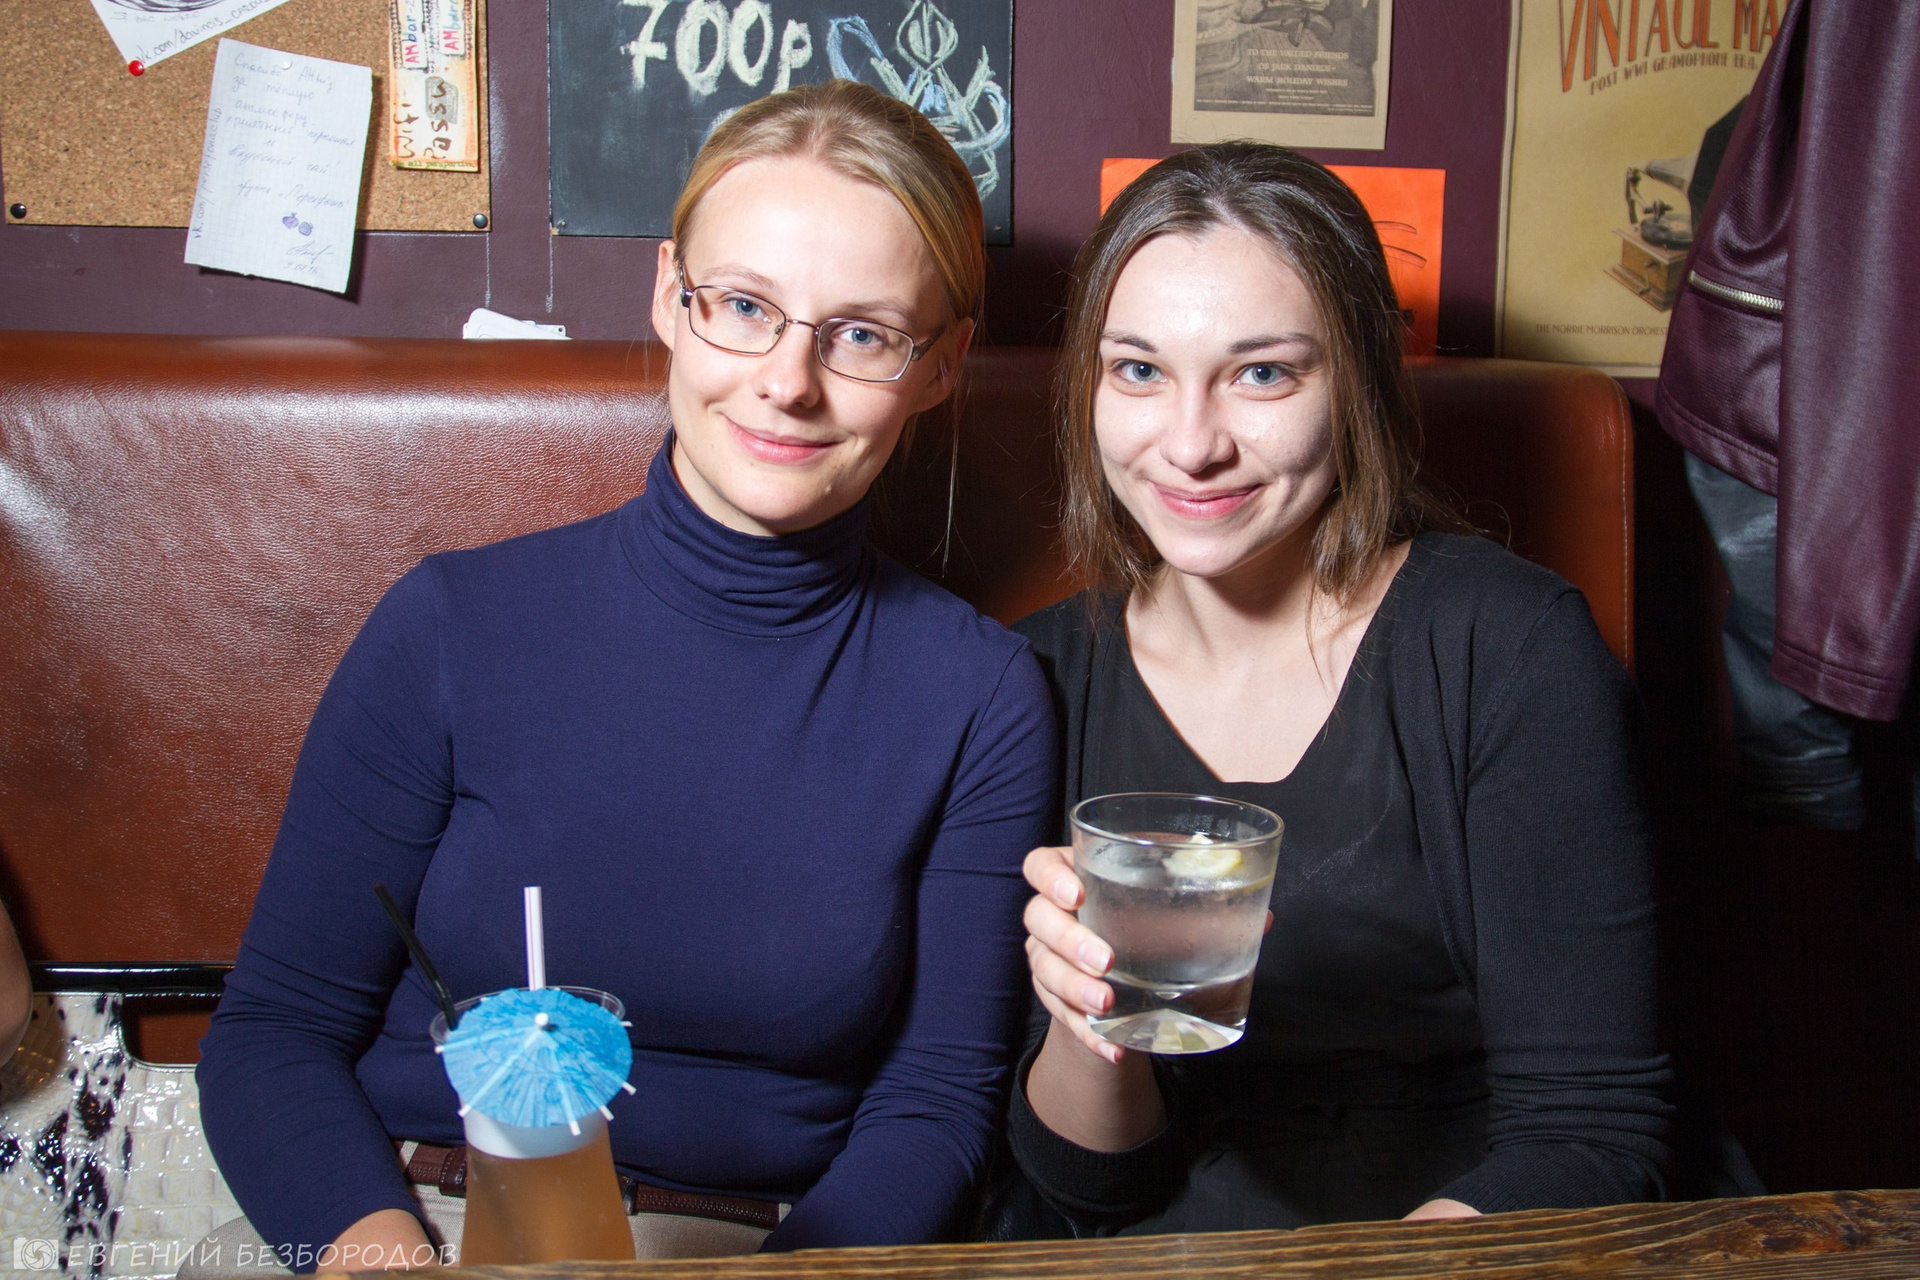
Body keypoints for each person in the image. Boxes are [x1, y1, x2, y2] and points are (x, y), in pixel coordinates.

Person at [195, 80, 1056, 1271]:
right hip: (419, 1217)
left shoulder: (980, 695)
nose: (788, 381)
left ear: (942, 364)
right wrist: (379, 1253)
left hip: (767, 1252)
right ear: (669, 295)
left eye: (861, 334)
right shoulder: (451, 622)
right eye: (743, 305)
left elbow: (938, 1107)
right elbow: (272, 1033)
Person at [994, 143, 1672, 1237]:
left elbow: (1592, 1133)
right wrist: (1088, 1023)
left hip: (1463, 1244)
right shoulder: (1026, 679)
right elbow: (1087, 1187)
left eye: (1263, 373)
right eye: (1139, 370)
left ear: (1355, 382)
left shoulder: (1509, 651)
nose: (1191, 445)